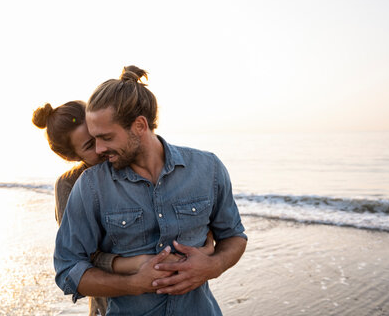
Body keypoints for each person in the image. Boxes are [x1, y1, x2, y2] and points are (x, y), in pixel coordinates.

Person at [54, 66, 248, 315]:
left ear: (139, 126)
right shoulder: (91, 185)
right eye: (94, 140)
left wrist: (213, 265)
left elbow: (234, 235)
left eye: (107, 138)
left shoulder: (208, 168)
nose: (99, 149)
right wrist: (132, 284)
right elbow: (67, 269)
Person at [33, 100, 215, 315]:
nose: (102, 147)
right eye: (90, 145)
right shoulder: (72, 185)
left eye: (102, 135)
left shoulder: (136, 163)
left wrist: (207, 249)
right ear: (72, 157)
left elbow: (186, 218)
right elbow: (80, 256)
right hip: (111, 302)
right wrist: (133, 265)